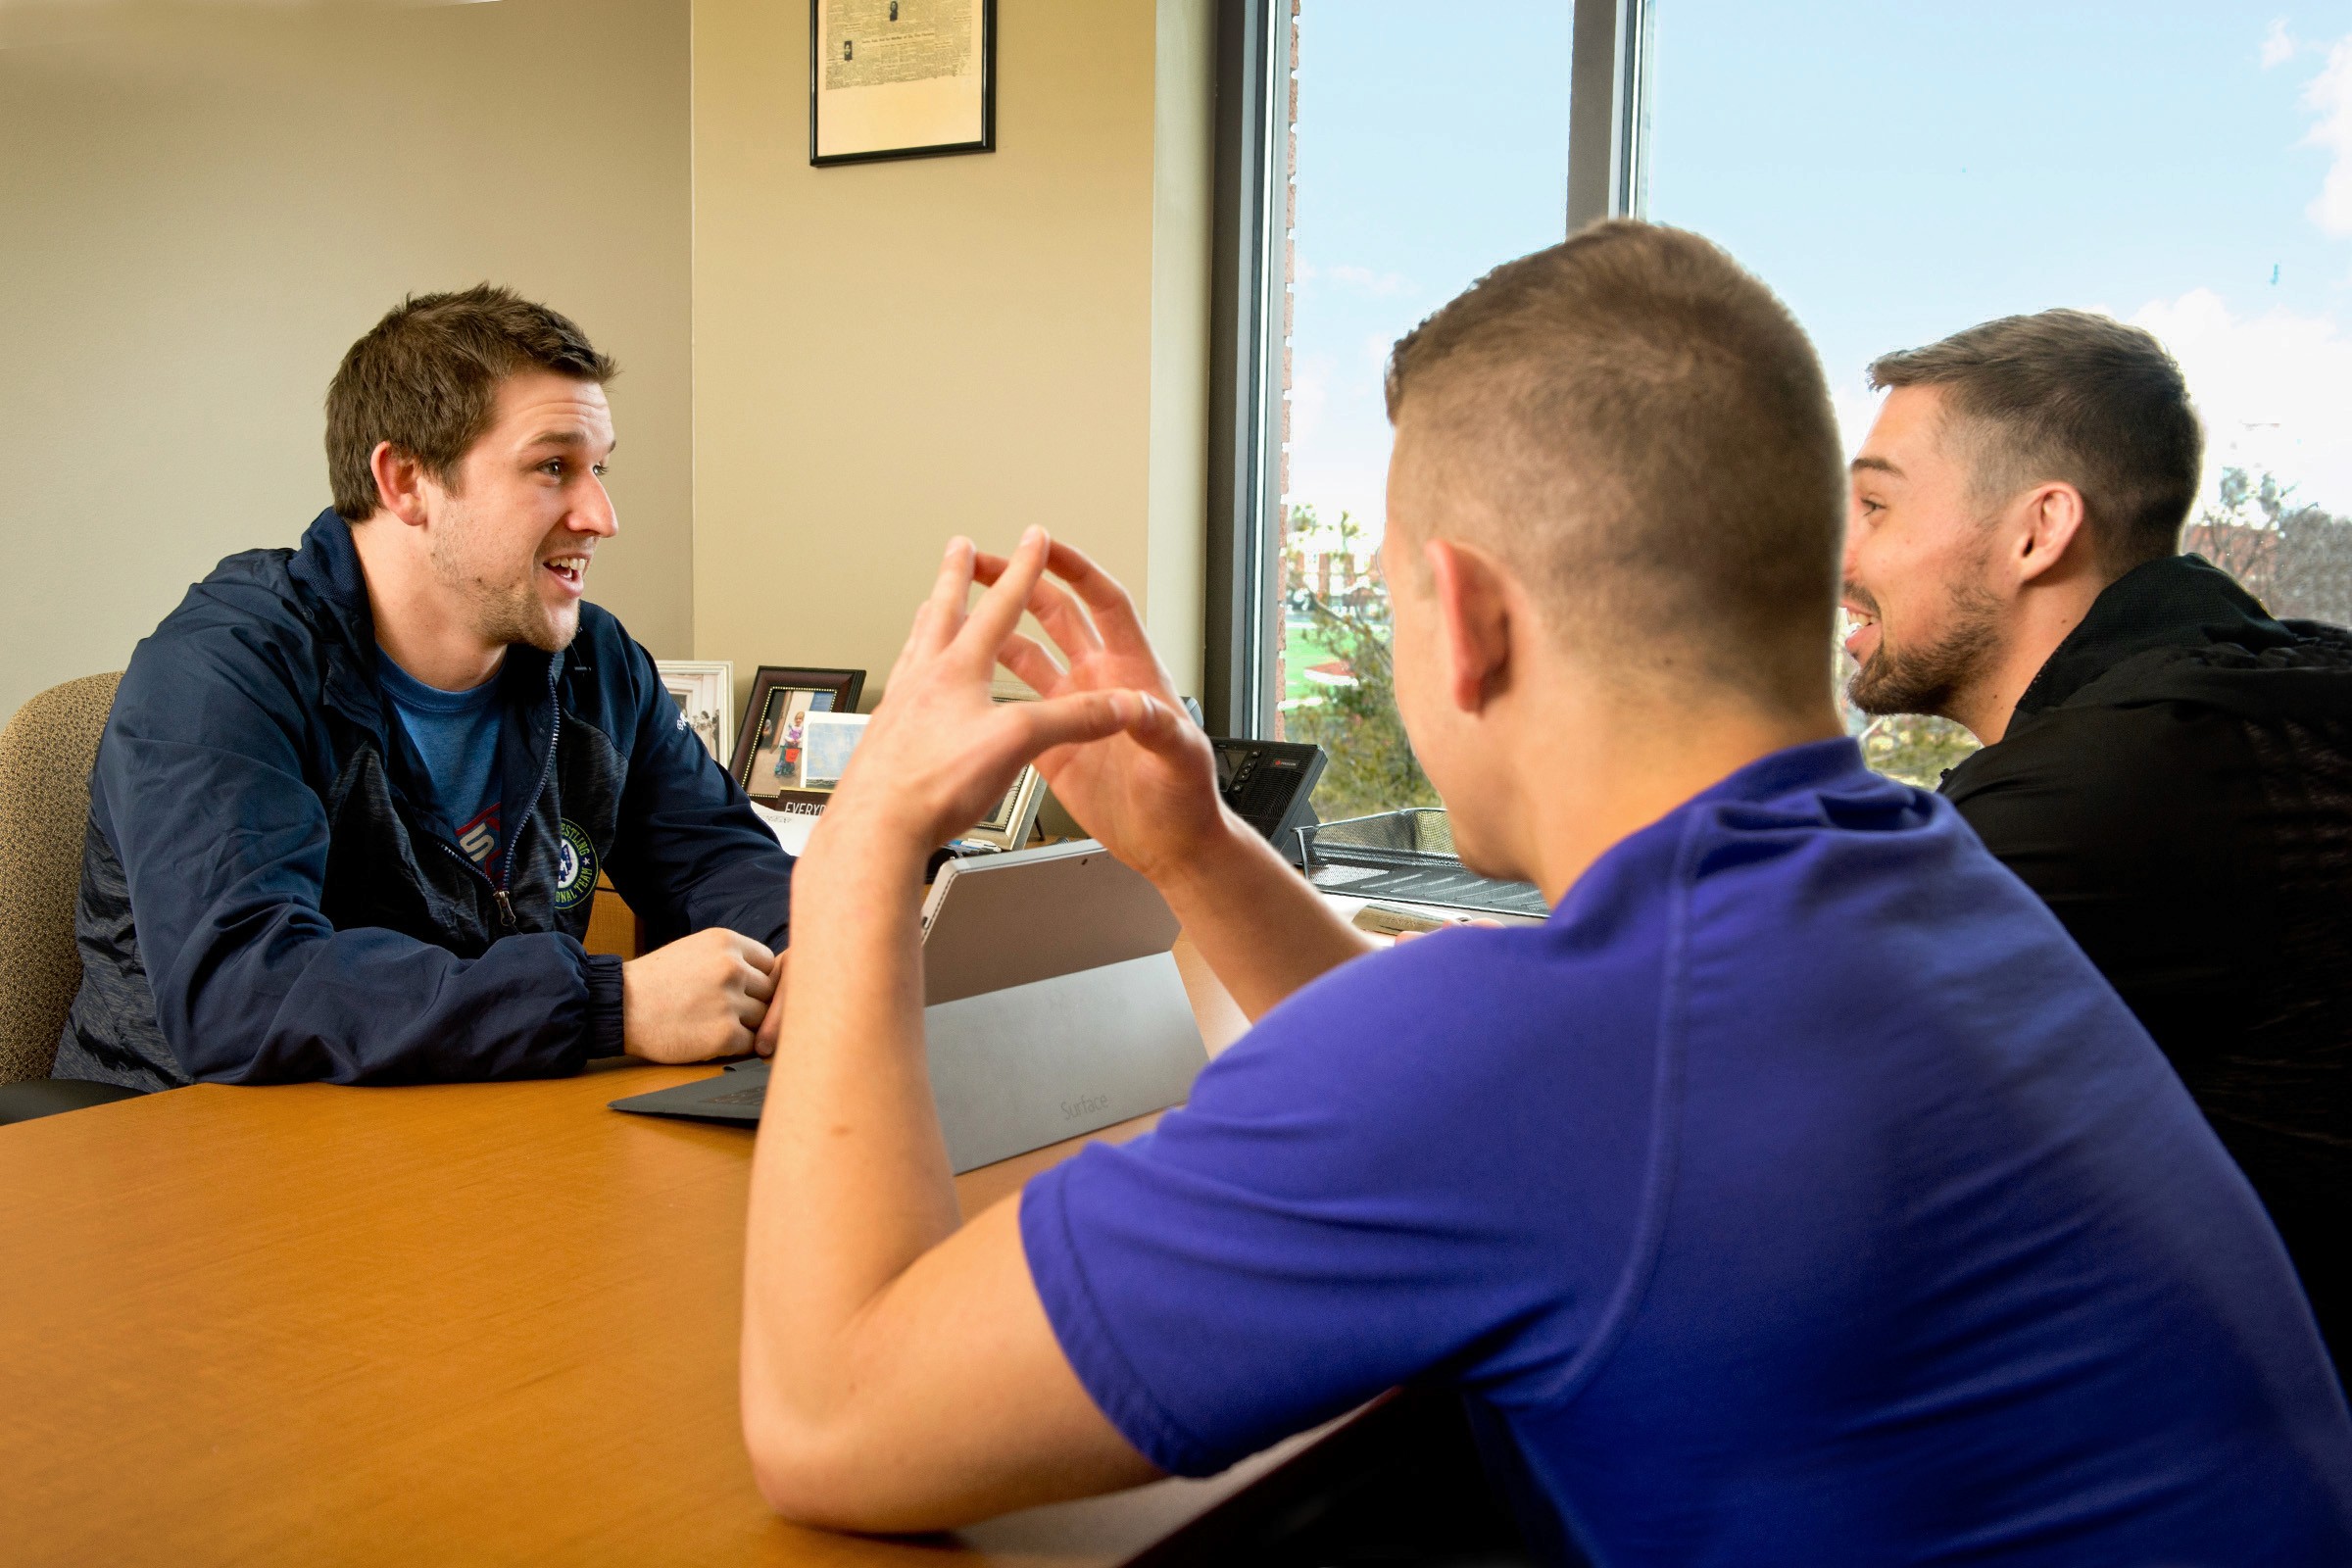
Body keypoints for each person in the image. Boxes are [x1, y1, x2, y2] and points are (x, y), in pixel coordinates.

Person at [733, 224, 2352, 1559]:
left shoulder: (1566, 1049)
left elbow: (829, 1420)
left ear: (1459, 615)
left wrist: (870, 844)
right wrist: (1197, 847)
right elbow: (1512, 1103)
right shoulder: (1931, 886)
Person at [51, 286, 792, 1092]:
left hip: (470, 1119)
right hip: (190, 1149)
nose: (601, 515)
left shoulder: (595, 662)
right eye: (553, 467)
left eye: (599, 468)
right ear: (405, 480)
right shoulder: (222, 673)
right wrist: (607, 1006)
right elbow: (245, 993)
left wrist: (803, 959)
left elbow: (717, 859)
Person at [1843, 308, 2352, 1375]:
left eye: (1876, 506)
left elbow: (1714, 1052)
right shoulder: (2261, 693)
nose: (1843, 555)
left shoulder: (2118, 784)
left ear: (2038, 530)